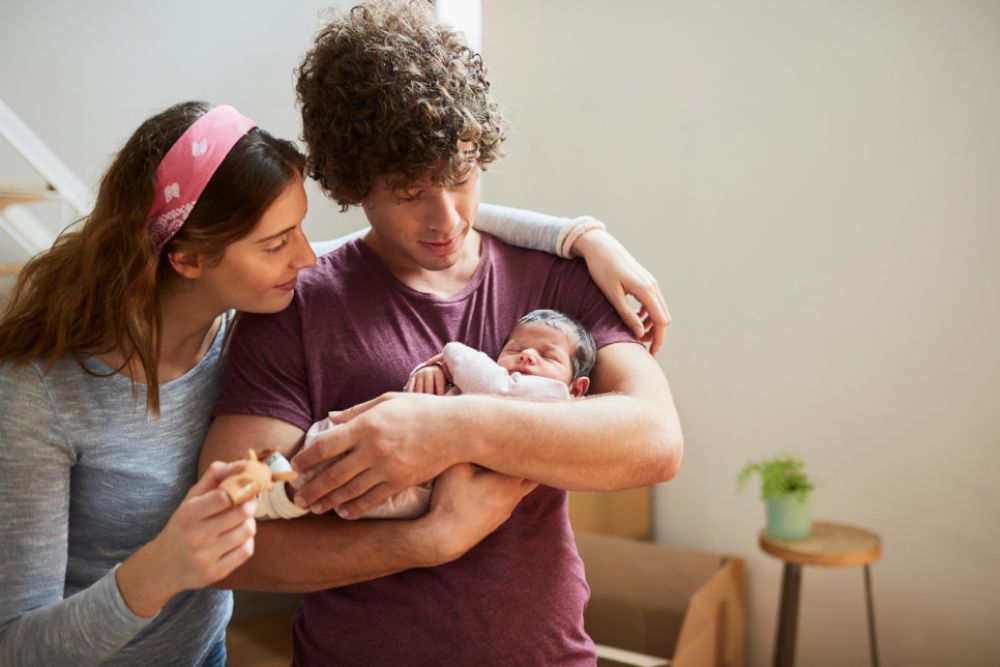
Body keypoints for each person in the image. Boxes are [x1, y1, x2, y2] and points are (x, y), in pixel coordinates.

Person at [0, 100, 664, 666]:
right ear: (188, 258)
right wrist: (162, 569)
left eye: (301, 228)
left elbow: (429, 222)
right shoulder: (40, 395)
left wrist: (581, 236)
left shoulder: (244, 314)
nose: (307, 256)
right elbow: (15, 644)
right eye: (277, 241)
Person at [201, 2, 684, 665]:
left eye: (461, 177)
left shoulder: (555, 282)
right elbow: (231, 539)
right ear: (353, 181)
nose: (446, 217)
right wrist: (429, 539)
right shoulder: (296, 306)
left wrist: (447, 429)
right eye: (407, 191)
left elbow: (655, 441)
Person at [256, 308, 596, 521]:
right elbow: (470, 385)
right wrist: (430, 371)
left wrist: (450, 356)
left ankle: (283, 497)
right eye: (516, 350)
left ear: (577, 388)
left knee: (353, 490)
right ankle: (283, 481)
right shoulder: (494, 379)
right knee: (343, 441)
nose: (527, 358)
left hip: (431, 488)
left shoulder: (551, 397)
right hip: (411, 456)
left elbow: (493, 387)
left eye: (547, 356)